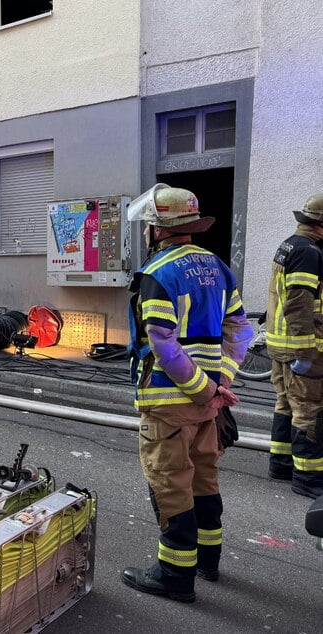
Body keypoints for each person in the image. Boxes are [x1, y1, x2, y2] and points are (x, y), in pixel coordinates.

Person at [122, 185, 251, 603]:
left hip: (169, 402)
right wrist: (222, 382)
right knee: (205, 478)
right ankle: (208, 560)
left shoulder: (158, 273)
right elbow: (241, 330)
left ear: (158, 230)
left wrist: (204, 390)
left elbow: (163, 343)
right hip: (207, 407)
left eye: (148, 227)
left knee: (170, 483)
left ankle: (175, 575)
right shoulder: (218, 266)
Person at [265, 193, 323, 497]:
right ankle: (309, 478)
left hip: (280, 345)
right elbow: (299, 303)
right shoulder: (309, 253)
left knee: (285, 405)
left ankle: (281, 464)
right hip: (300, 348)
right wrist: (306, 352)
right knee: (309, 411)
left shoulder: (289, 244)